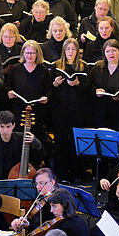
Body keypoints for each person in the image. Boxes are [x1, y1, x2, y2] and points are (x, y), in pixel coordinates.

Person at [49, 38, 90, 181]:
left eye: (73, 49)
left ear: (78, 51)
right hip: (60, 110)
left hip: (77, 111)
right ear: (64, 51)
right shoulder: (57, 66)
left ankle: (76, 173)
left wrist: (77, 83)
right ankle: (61, 174)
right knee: (60, 142)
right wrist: (55, 84)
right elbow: (49, 90)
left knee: (75, 143)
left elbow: (88, 90)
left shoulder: (83, 66)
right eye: (68, 49)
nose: (70, 52)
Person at [6, 40, 51, 144]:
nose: (29, 56)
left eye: (32, 53)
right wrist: (9, 92)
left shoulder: (43, 70)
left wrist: (46, 97)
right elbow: (8, 86)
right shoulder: (15, 69)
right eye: (27, 53)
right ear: (23, 53)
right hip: (19, 109)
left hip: (37, 110)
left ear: (37, 54)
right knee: (18, 138)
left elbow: (48, 90)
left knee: (36, 138)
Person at [14, 188, 89, 236]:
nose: (51, 210)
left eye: (54, 206)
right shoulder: (79, 219)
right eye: (51, 206)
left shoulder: (65, 227)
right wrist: (29, 226)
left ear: (64, 205)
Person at [91, 39, 119, 130]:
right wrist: (95, 90)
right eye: (107, 51)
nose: (111, 54)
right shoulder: (97, 68)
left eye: (114, 51)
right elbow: (89, 85)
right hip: (101, 110)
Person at [0, 110, 42, 179]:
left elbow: (38, 157)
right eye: (2, 126)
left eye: (8, 126)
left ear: (13, 125)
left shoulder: (22, 139)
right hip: (0, 181)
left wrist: (35, 141)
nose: (5, 131)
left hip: (20, 178)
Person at [10, 168, 57, 233]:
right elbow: (34, 224)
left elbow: (46, 229)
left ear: (52, 182)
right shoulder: (41, 198)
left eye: (41, 183)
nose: (38, 187)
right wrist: (21, 222)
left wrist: (29, 226)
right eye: (36, 184)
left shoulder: (57, 201)